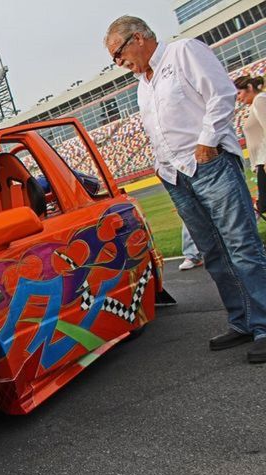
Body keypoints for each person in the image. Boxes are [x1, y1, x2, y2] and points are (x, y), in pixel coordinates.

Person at [104, 16, 266, 363]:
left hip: (210, 164)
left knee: (241, 245)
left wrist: (206, 143)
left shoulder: (183, 52)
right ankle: (242, 320)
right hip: (177, 175)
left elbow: (221, 93)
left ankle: (265, 323)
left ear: (137, 38)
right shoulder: (141, 85)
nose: (119, 64)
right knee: (214, 252)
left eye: (118, 54)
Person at [233, 75, 266, 215]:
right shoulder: (256, 104)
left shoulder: (260, 100)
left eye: (239, 93)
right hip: (261, 161)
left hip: (263, 160)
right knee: (262, 205)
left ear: (250, 88)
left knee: (263, 205)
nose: (238, 98)